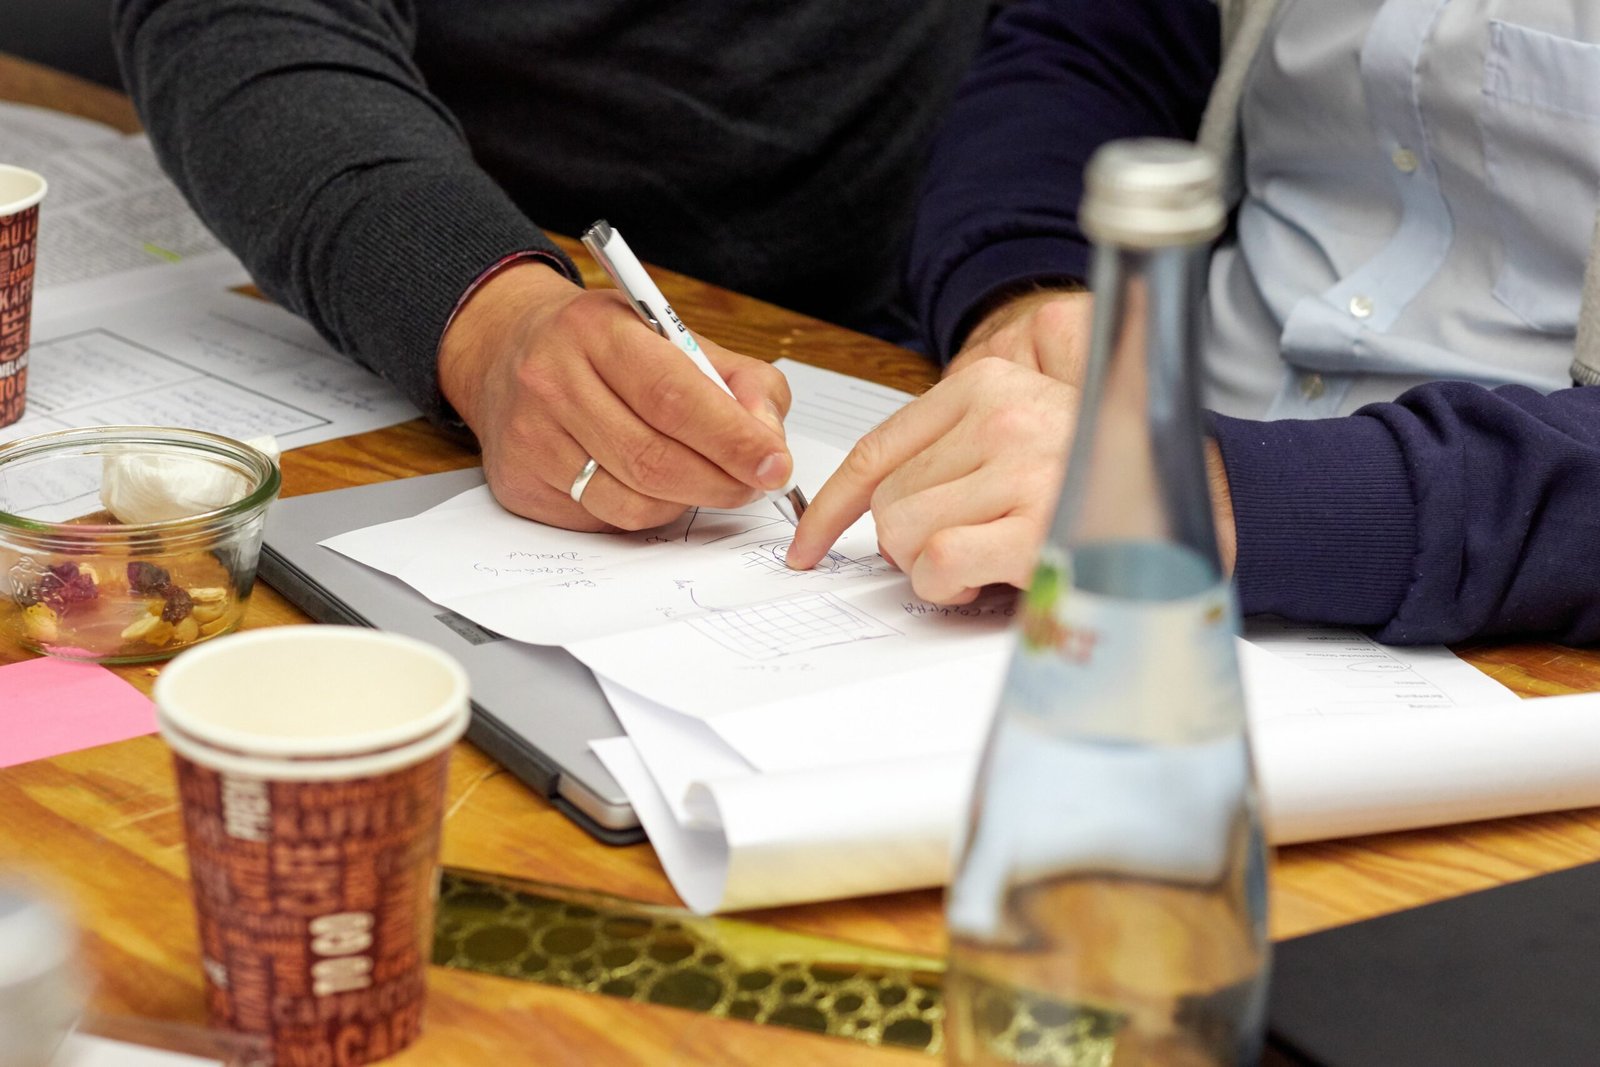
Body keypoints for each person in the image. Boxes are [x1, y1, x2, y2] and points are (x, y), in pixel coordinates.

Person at [788, 0, 1600, 646]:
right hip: (1108, 447)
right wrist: (1029, 293)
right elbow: (1083, 57)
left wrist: (1220, 494)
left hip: (1506, 611)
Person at [110, 0, 985, 533]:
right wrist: (491, 322)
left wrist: (1015, 293)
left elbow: (1073, 43)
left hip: (916, 333)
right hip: (448, 304)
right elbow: (238, 19)